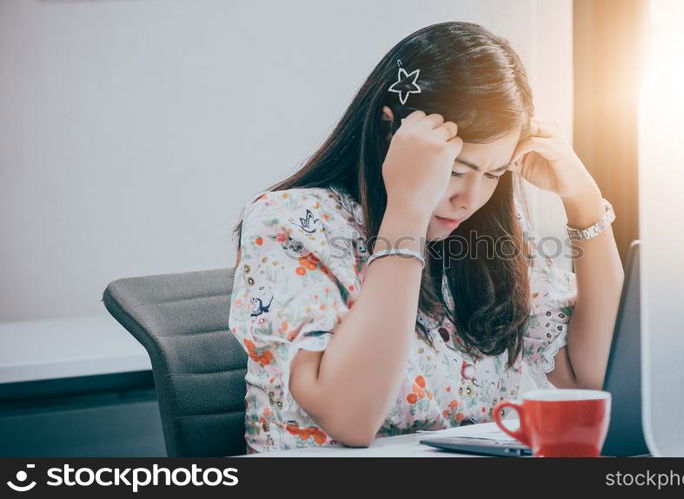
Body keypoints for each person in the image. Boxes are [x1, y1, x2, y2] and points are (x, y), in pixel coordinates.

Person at [228, 21, 624, 453]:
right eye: (454, 170)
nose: (469, 198)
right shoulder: (289, 222)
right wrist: (407, 213)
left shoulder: (483, 239)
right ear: (390, 134)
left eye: (493, 173)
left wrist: (585, 203)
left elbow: (592, 376)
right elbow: (351, 419)